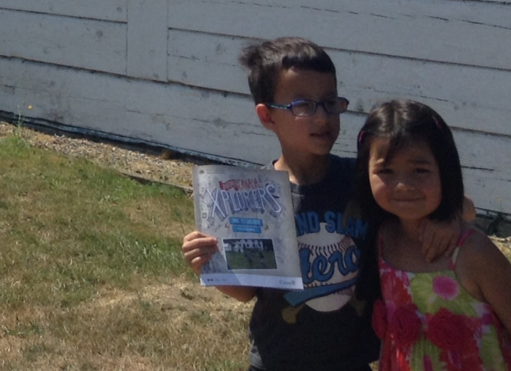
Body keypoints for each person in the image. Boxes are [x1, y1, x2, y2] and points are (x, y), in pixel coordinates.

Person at [181, 38, 468, 371]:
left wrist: (447, 216)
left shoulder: (363, 180)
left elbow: (445, 201)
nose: (322, 117)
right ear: (268, 116)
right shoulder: (252, 197)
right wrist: (210, 265)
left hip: (351, 361)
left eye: (330, 102)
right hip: (277, 361)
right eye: (303, 105)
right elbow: (247, 292)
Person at [355, 99, 511, 371]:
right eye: (386, 171)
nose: (403, 185)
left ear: (445, 171)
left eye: (420, 170)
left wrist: (453, 210)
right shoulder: (380, 239)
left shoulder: (472, 254)